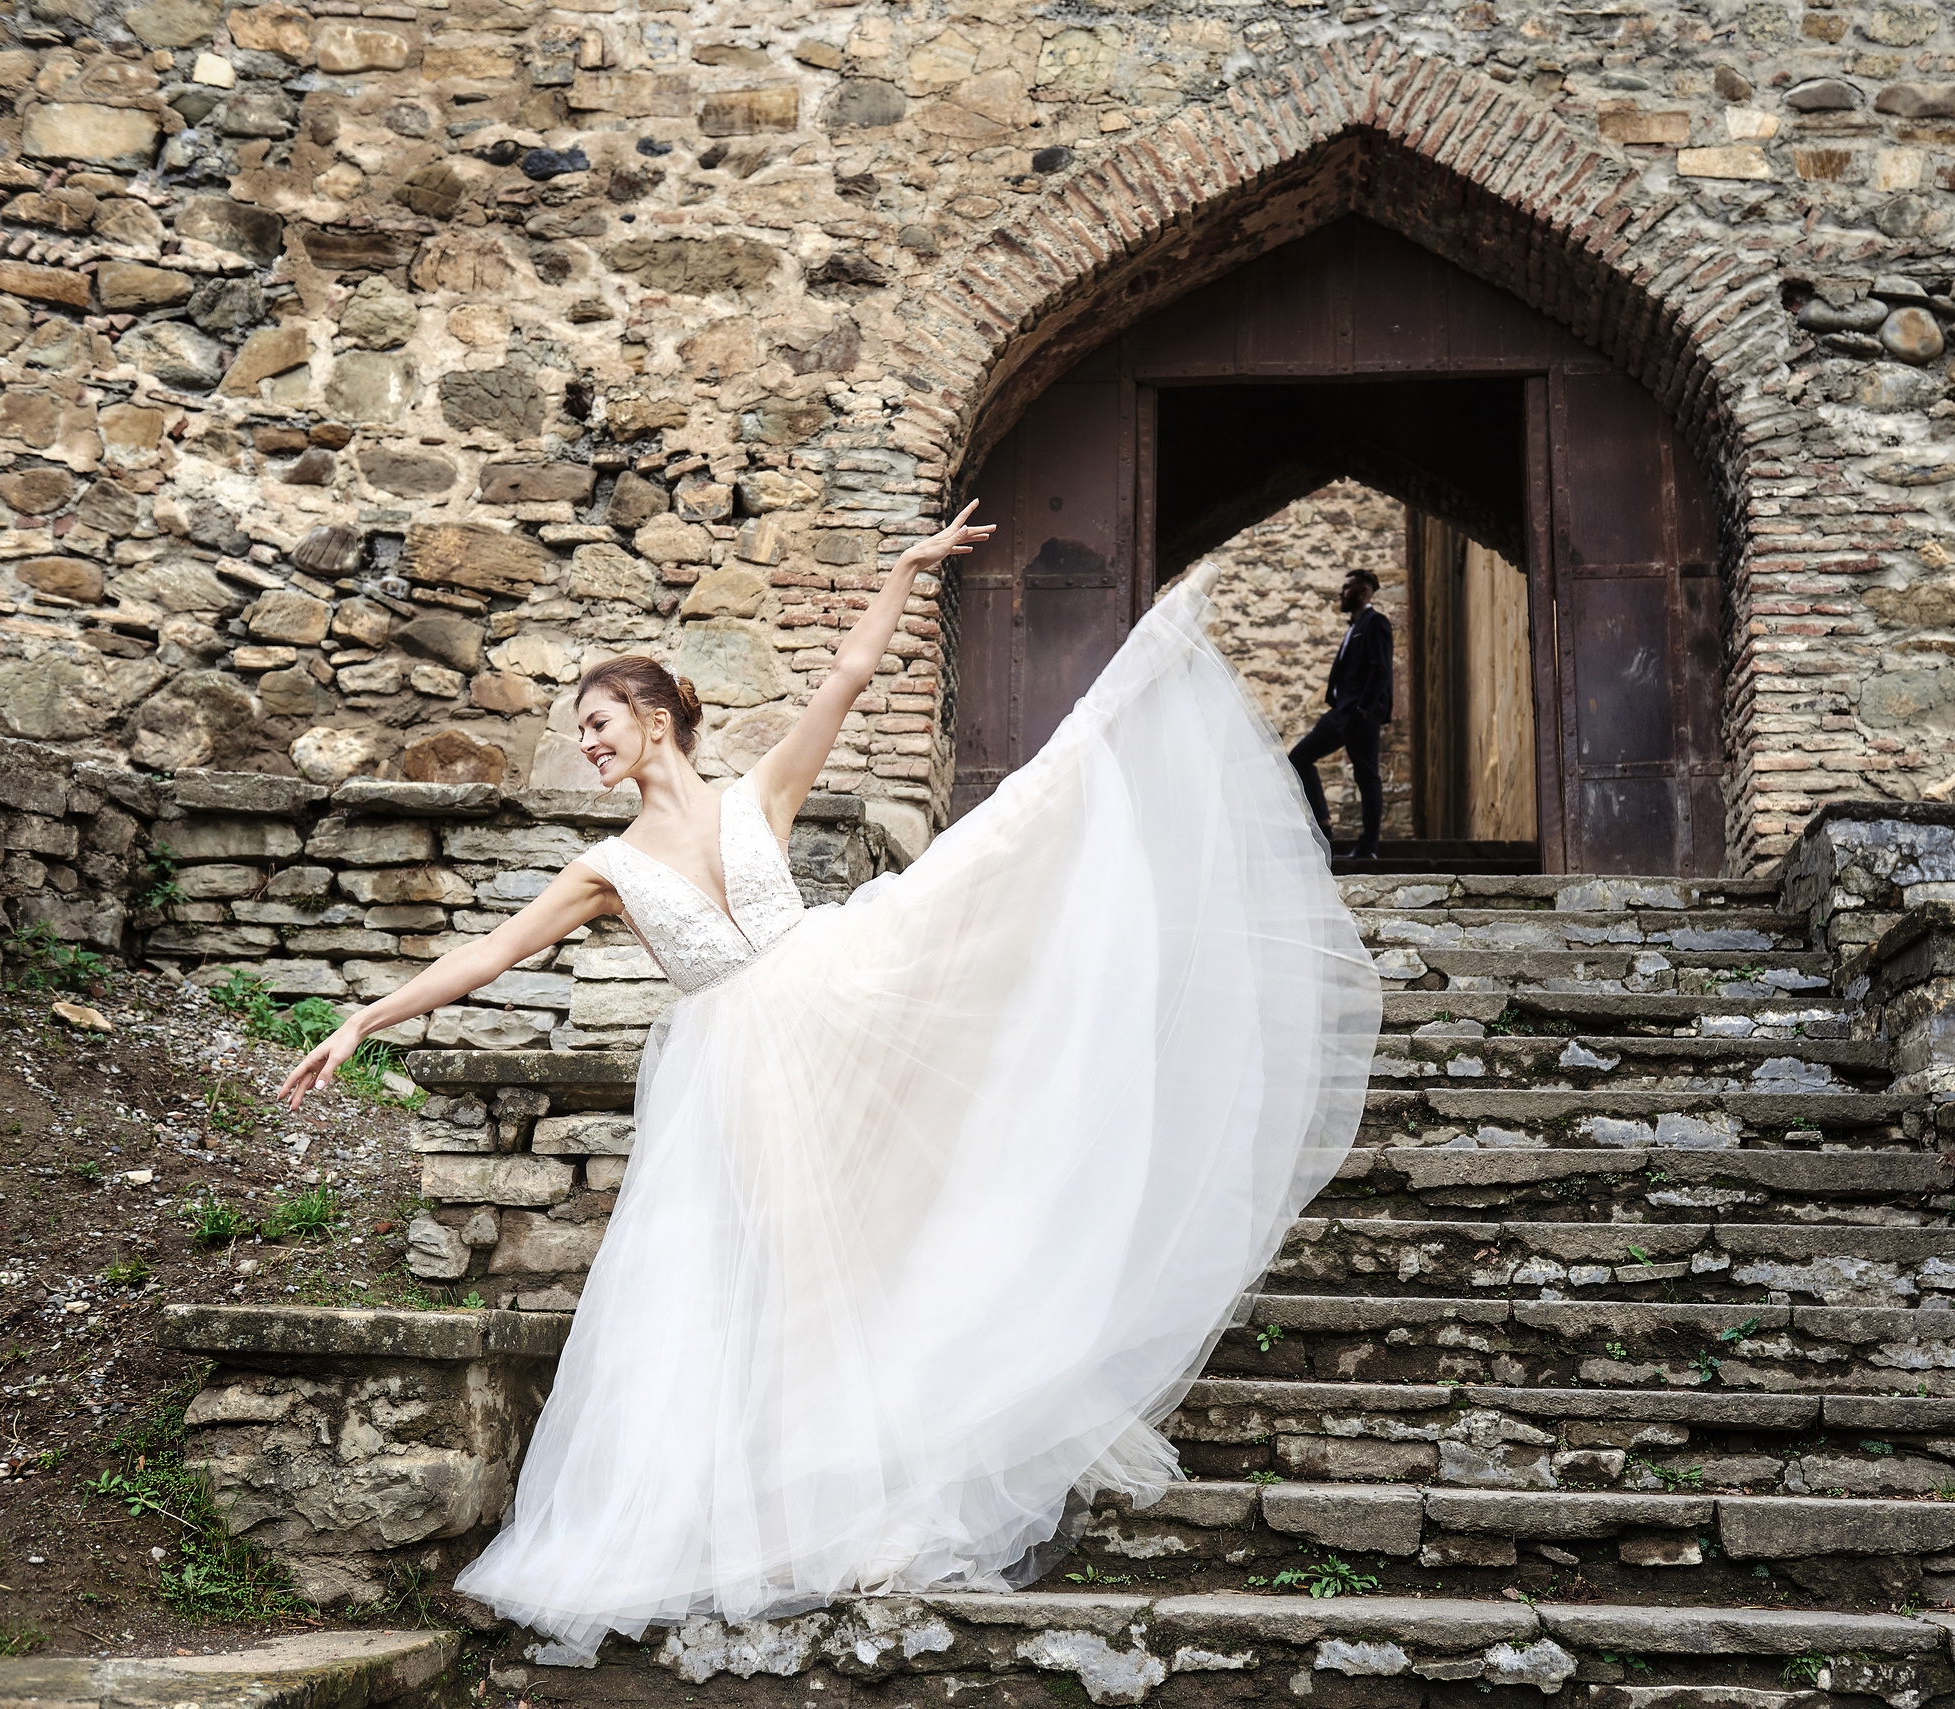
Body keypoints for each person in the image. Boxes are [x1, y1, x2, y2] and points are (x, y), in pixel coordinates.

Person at [275, 503, 1379, 1662]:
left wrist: (903, 569)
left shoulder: (760, 794)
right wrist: (365, 1014)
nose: (590, 745)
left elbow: (850, 676)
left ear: (657, 720)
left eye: (600, 723)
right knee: (784, 1273)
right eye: (584, 731)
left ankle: (896, 1467)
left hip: (841, 1004)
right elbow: (486, 954)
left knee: (1002, 872)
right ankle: (791, 1494)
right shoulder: (601, 867)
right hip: (736, 1074)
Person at [1288, 567, 1394, 861]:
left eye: (1347, 587)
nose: (1340, 592)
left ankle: (1368, 847)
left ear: (1363, 592)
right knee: (1298, 757)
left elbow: (1381, 669)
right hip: (1340, 713)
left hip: (1359, 714)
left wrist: (1364, 709)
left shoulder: (1376, 624)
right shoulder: (1355, 626)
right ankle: (1323, 822)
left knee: (1367, 776)